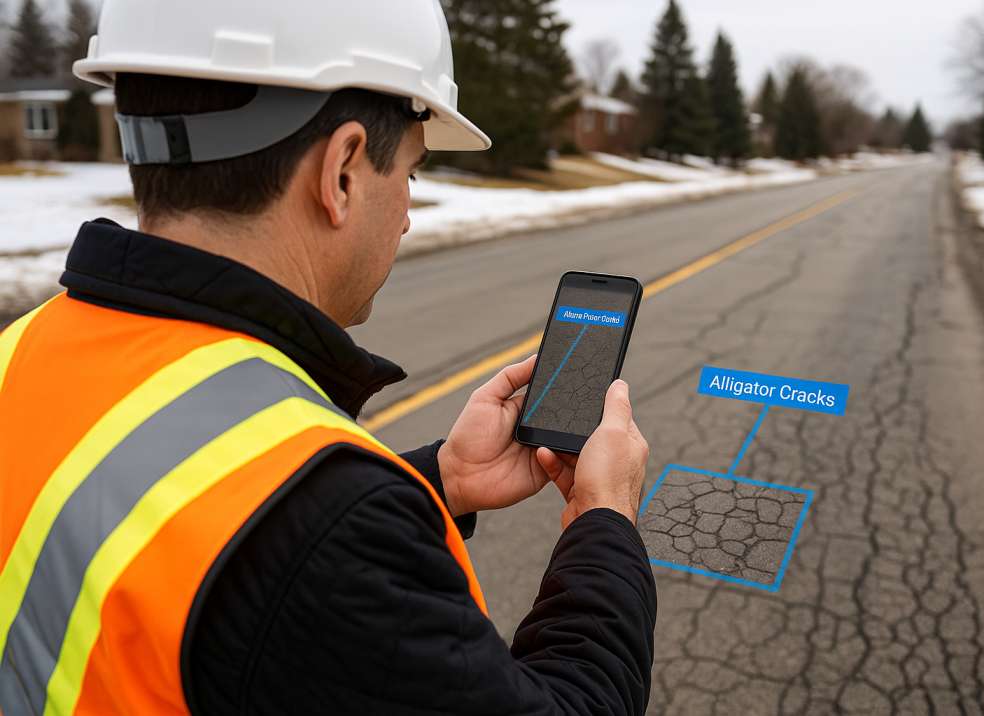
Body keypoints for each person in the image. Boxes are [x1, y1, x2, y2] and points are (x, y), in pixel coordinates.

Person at [0, 1, 657, 715]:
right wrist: (604, 518)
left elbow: (185, 530)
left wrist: (436, 479)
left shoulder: (22, 350)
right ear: (342, 169)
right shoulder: (336, 532)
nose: (406, 212)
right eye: (409, 171)